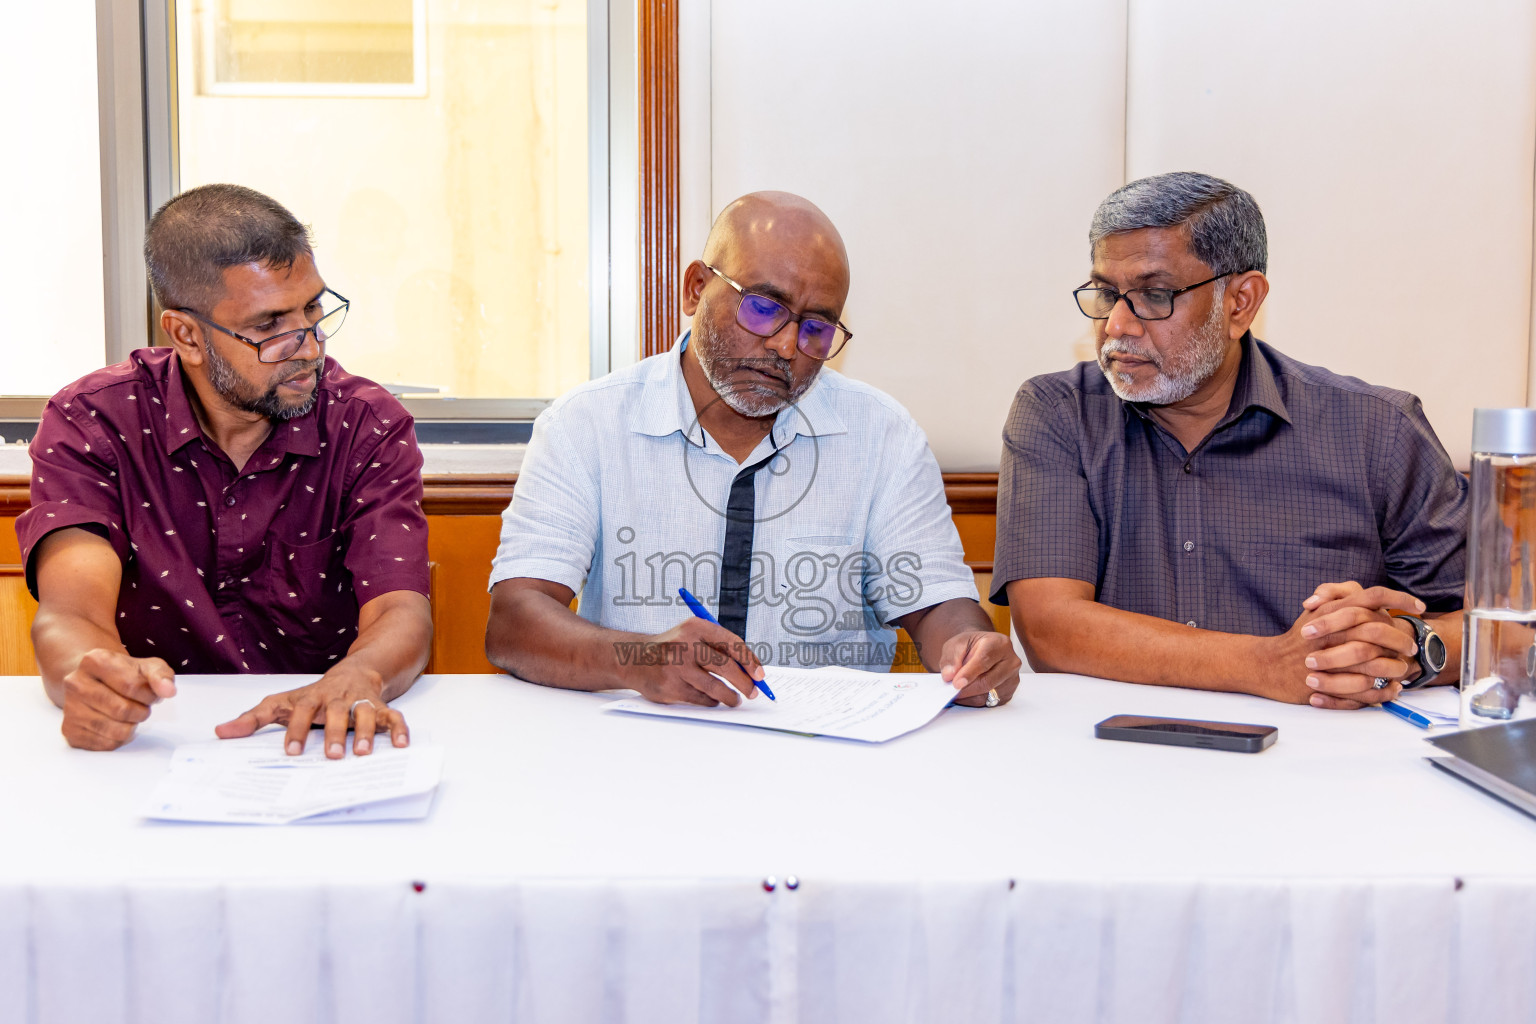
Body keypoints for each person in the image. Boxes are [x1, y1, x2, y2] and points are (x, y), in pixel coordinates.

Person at [486, 191, 1020, 707]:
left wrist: (970, 651)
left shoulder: (882, 435)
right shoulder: (586, 425)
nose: (786, 346)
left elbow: (938, 607)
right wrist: (636, 661)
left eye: (816, 327)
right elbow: (514, 621)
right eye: (764, 308)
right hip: (645, 747)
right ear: (695, 288)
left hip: (828, 753)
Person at [993, 171, 1467, 709]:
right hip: (1118, 754)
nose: (1117, 325)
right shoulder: (1059, 413)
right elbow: (1050, 628)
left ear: (1240, 302)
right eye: (1106, 293)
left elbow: (1499, 630)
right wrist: (1266, 665)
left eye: (1153, 294)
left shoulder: (1377, 429)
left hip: (1326, 759)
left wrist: (1401, 647)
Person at [19, 184, 432, 755]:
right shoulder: (93, 421)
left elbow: (400, 609)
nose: (309, 347)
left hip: (320, 734)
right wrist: (92, 679)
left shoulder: (367, 424)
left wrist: (360, 675)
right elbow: (72, 613)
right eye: (269, 326)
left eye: (313, 309)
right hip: (157, 738)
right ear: (186, 334)